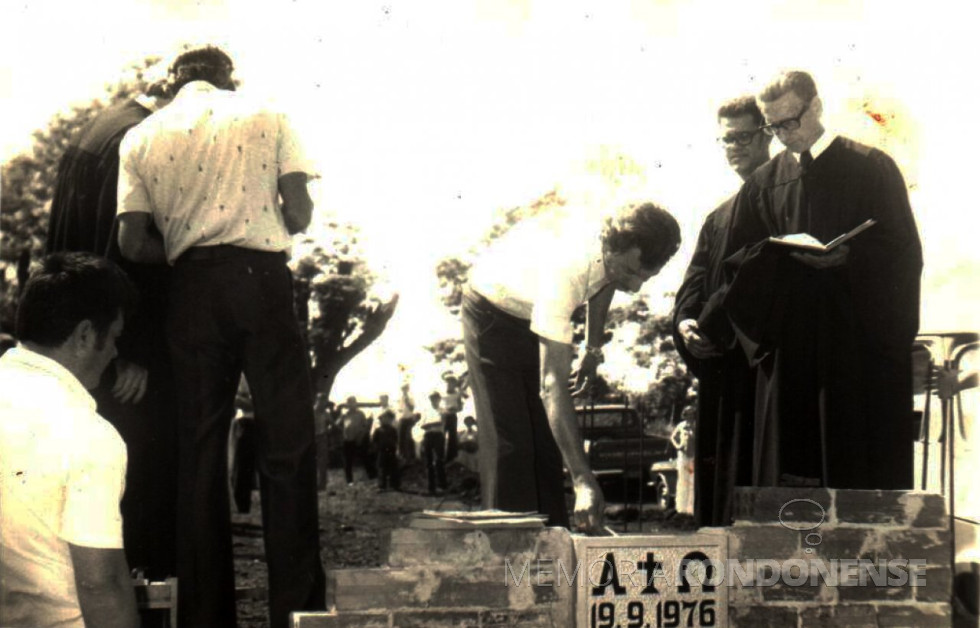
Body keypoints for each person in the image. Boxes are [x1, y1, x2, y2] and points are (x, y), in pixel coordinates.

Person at [116, 45, 325, 628]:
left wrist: (187, 245)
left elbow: (132, 243)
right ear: (229, 78)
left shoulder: (143, 136)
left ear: (173, 83)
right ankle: (299, 610)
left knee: (201, 453)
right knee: (286, 444)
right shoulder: (270, 114)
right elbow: (301, 215)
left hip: (190, 291)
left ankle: (205, 618)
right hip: (260, 281)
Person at [704, 70, 923, 489]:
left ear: (817, 107)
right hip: (791, 356)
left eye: (792, 121)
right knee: (791, 482)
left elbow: (902, 253)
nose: (785, 134)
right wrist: (775, 258)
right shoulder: (763, 185)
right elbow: (737, 266)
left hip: (857, 350)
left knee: (858, 472)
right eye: (774, 126)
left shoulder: (872, 168)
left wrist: (851, 257)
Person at [463, 201, 681, 531]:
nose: (635, 286)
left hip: (530, 309)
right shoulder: (565, 272)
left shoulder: (613, 255)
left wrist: (592, 348)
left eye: (645, 277)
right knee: (512, 444)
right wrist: (583, 481)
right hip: (491, 312)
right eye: (631, 272)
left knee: (549, 443)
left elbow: (605, 281)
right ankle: (507, 553)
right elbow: (552, 385)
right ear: (610, 247)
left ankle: (554, 541)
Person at [45, 66, 178, 579]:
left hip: (82, 340)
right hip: (116, 355)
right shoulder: (136, 137)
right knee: (133, 497)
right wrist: (132, 352)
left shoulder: (102, 126)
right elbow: (118, 255)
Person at [0, 252, 138, 628]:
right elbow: (100, 585)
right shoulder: (90, 435)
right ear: (84, 336)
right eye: (113, 337)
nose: (113, 352)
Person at [672, 95, 772, 526]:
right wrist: (686, 323)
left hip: (766, 374)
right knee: (719, 506)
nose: (734, 147)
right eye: (727, 140)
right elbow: (692, 285)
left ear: (767, 133)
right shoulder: (717, 217)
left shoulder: (784, 200)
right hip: (720, 376)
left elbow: (751, 279)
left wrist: (710, 325)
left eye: (744, 137)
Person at [419, 391, 448, 494]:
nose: (434, 400)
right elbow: (422, 425)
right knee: (429, 461)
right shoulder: (426, 411)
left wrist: (429, 425)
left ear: (439, 399)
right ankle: (431, 487)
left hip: (438, 436)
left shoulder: (443, 410)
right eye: (432, 398)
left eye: (436, 398)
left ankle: (442, 485)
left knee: (439, 460)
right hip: (428, 436)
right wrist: (432, 424)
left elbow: (441, 422)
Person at [669, 411, 696, 516]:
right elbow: (672, 437)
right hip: (683, 456)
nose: (690, 416)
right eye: (687, 414)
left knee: (692, 481)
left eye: (691, 414)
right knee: (682, 481)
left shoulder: (696, 425)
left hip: (693, 457)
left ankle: (691, 508)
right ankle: (681, 508)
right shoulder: (681, 425)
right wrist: (677, 446)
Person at [341, 396, 371, 485]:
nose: (350, 405)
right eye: (349, 403)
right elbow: (338, 424)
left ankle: (372, 475)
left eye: (352, 403)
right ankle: (349, 480)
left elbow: (365, 426)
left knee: (365, 457)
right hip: (348, 439)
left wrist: (361, 437)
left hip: (359, 438)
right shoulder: (345, 414)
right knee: (348, 461)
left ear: (355, 403)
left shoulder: (360, 414)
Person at [373, 409, 401, 490]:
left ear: (390, 420)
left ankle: (395, 485)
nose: (384, 421)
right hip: (382, 451)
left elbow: (396, 439)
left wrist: (396, 447)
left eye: (387, 419)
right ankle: (382, 485)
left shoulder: (393, 430)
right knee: (382, 468)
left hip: (391, 450)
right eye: (382, 419)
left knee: (393, 467)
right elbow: (375, 440)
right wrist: (376, 448)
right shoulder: (378, 430)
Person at [440, 373, 465, 462]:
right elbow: (438, 406)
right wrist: (444, 410)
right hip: (443, 416)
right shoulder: (442, 394)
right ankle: (440, 455)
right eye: (448, 382)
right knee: (441, 435)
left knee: (452, 435)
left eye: (452, 382)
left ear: (454, 384)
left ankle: (451, 457)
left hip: (452, 416)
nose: (450, 384)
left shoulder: (457, 394)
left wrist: (454, 409)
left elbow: (460, 407)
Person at [396, 381, 418, 462]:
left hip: (409, 419)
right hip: (402, 419)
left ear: (408, 389)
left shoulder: (411, 397)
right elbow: (399, 409)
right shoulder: (400, 398)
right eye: (403, 389)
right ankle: (403, 456)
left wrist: (407, 401)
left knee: (408, 436)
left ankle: (412, 456)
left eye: (405, 389)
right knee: (400, 437)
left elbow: (412, 408)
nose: (404, 390)